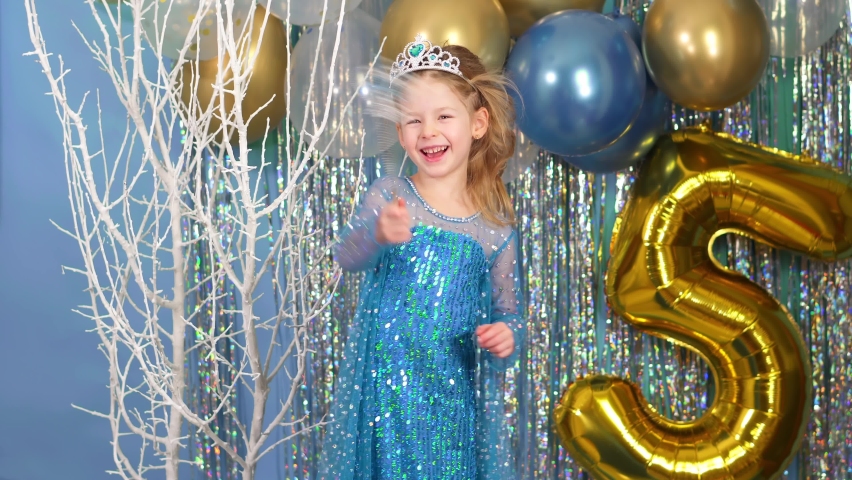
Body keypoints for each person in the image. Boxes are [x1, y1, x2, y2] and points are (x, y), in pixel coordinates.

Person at [318, 34, 525, 479]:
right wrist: (376, 235)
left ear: (478, 123)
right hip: (386, 399)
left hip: (453, 407)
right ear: (399, 133)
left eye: (443, 116)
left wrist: (505, 335)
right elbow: (345, 255)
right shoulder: (392, 197)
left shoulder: (495, 230)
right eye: (413, 121)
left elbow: (511, 313)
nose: (428, 131)